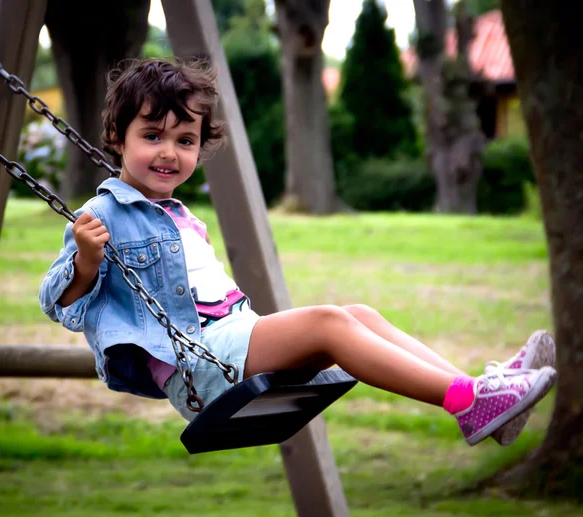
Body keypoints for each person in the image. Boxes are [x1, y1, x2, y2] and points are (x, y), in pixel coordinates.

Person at [39, 58, 557, 447]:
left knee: (359, 315)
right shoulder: (103, 215)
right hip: (201, 365)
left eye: (186, 140)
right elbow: (56, 300)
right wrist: (86, 261)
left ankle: (481, 391)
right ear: (117, 136)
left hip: (230, 339)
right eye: (152, 136)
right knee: (331, 323)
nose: (170, 153)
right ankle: (468, 402)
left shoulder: (178, 215)